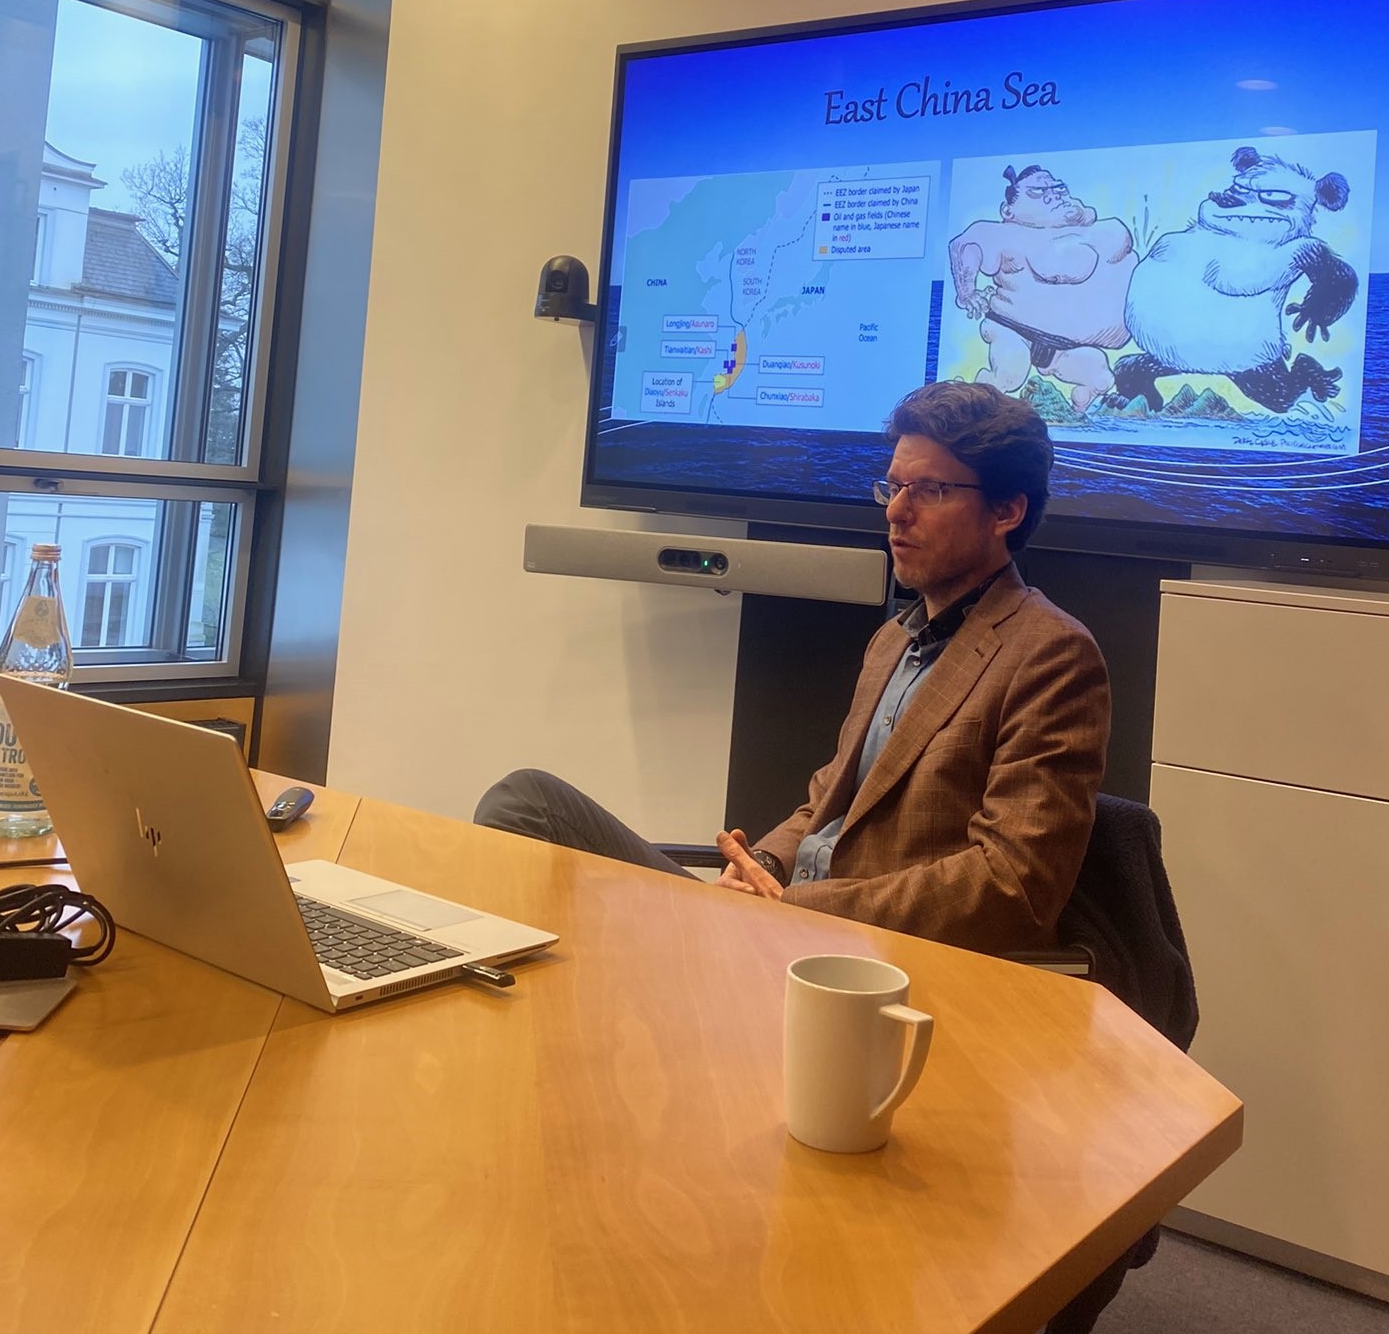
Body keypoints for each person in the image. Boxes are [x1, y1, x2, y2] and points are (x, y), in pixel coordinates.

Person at [474, 381, 1108, 954]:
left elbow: (1013, 884)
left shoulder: (1050, 653)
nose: (895, 511)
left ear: (1007, 511)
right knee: (527, 805)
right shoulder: (892, 642)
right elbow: (828, 802)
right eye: (894, 487)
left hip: (853, 964)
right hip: (770, 927)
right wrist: (765, 868)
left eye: (932, 491)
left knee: (532, 817)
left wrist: (798, 905)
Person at [948, 163, 1136, 412]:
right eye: (1037, 192)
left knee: (1100, 377)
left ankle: (1076, 413)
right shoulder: (1003, 234)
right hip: (1012, 329)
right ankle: (971, 400)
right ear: (1008, 210)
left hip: (1064, 346)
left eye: (1058, 189)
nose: (1052, 195)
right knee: (1009, 375)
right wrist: (967, 293)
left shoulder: (1094, 232)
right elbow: (965, 247)